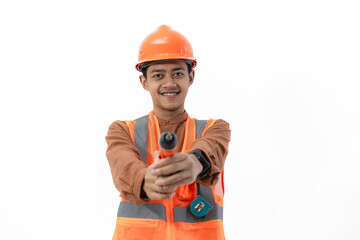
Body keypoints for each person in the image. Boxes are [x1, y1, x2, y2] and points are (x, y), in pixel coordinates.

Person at [105, 25, 231, 240]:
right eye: (158, 75)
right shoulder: (123, 130)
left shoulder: (215, 128)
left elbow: (210, 150)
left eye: (178, 73)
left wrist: (194, 163)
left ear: (190, 77)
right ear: (144, 82)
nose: (169, 83)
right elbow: (123, 166)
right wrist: (145, 180)